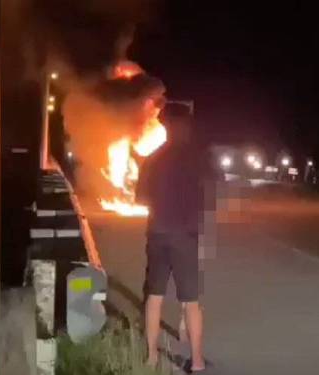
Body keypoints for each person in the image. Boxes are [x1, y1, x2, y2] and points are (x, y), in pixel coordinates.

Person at [135, 105, 214, 373]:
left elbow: (141, 198)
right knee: (191, 301)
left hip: (158, 234)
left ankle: (151, 357)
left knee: (154, 297)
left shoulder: (153, 159)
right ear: (188, 128)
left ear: (166, 127)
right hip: (186, 237)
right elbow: (210, 194)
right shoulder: (199, 159)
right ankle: (198, 361)